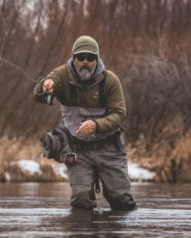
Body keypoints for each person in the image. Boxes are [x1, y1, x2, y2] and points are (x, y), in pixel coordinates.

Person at [34, 35, 136, 211]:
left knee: (121, 200)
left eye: (90, 58)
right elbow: (39, 96)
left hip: (109, 147)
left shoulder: (110, 81)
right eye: (80, 57)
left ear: (97, 60)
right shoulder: (61, 75)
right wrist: (44, 86)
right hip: (76, 148)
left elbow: (119, 114)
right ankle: (82, 236)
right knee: (81, 201)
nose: (85, 62)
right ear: (74, 59)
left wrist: (96, 126)